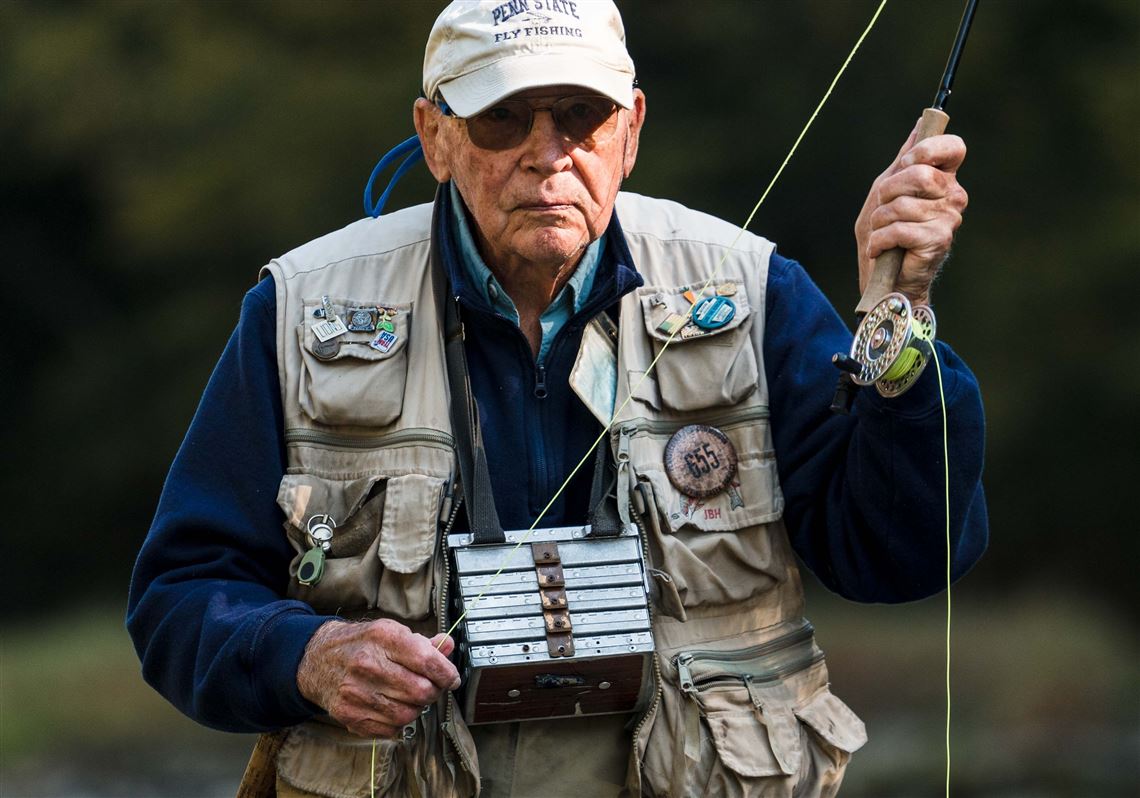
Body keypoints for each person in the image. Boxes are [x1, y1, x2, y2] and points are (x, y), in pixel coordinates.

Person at [127, 2, 987, 797]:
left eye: (581, 114)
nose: (548, 151)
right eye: (504, 117)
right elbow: (178, 595)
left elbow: (897, 558)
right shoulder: (297, 308)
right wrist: (306, 656)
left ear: (631, 131)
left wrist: (900, 323)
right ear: (435, 135)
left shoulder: (757, 288)